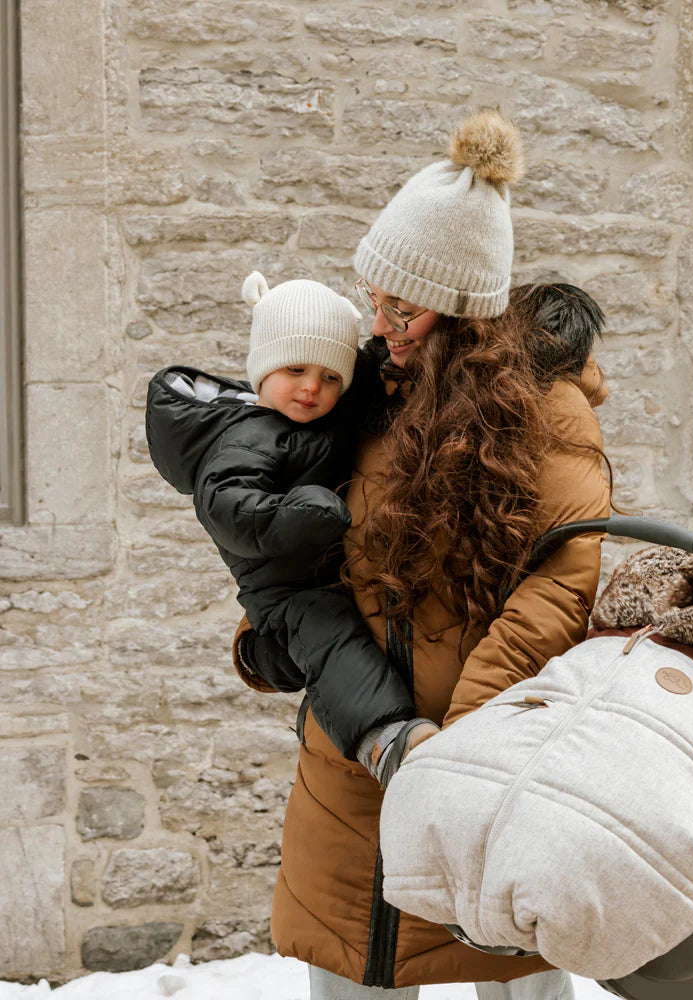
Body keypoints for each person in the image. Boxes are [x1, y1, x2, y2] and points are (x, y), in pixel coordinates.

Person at [232, 108, 612, 1000]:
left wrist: (463, 736)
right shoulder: (366, 395)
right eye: (377, 298)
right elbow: (303, 532)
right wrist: (268, 633)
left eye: (403, 307)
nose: (382, 322)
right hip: (357, 752)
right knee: (355, 966)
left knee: (516, 968)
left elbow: (565, 576)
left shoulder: (545, 412)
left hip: (488, 759)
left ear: (464, 313)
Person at [145, 274, 419, 758]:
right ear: (264, 368)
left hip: (320, 569)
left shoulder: (311, 418)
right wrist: (301, 512)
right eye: (295, 369)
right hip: (285, 591)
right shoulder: (246, 436)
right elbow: (228, 506)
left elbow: (355, 403)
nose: (312, 388)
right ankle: (386, 740)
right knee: (327, 632)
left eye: (330, 377)